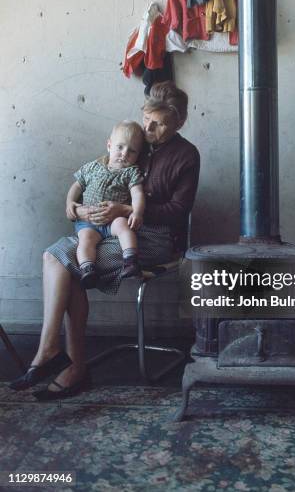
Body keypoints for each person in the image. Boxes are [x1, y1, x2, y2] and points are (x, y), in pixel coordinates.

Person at [9, 81, 200, 400]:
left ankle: (70, 365)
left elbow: (178, 212)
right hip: (108, 226)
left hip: (153, 238)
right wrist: (80, 206)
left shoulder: (186, 155)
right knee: (53, 256)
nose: (149, 128)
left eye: (160, 123)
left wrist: (126, 208)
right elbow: (97, 174)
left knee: (67, 264)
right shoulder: (133, 138)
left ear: (179, 122)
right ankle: (52, 350)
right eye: (146, 118)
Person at [67, 120, 146, 288]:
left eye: (131, 151)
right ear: (109, 145)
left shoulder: (131, 172)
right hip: (89, 221)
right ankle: (88, 269)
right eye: (120, 147)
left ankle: (131, 261)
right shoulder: (92, 167)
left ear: (138, 155)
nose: (124, 154)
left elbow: (137, 193)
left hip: (113, 220)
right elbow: (77, 186)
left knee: (124, 226)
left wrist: (137, 212)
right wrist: (70, 203)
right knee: (85, 240)